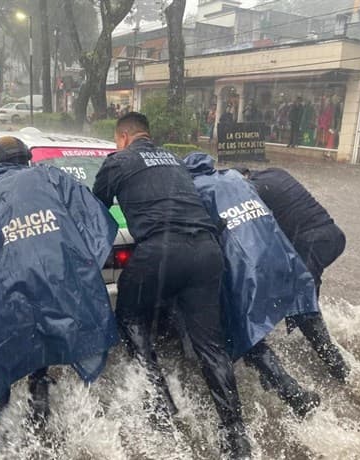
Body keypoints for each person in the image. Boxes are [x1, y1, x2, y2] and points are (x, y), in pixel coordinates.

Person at [0, 136, 120, 460]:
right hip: (57, 287)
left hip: (14, 296)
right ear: (25, 160)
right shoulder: (51, 176)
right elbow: (92, 216)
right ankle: (42, 426)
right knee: (41, 356)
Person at [92, 113, 252, 459]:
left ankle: (161, 411)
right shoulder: (175, 160)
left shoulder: (118, 161)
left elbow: (94, 211)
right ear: (148, 134)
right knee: (210, 345)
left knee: (131, 320)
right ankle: (236, 439)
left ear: (122, 137)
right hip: (208, 252)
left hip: (160, 252)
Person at [183, 152, 321, 418]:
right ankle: (334, 368)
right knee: (260, 324)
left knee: (243, 332)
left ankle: (290, 392)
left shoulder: (195, 190)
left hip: (243, 267)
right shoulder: (234, 177)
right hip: (278, 256)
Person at [238, 166, 350, 382]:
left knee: (301, 307)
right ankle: (311, 339)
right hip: (332, 237)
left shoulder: (253, 188)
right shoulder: (275, 172)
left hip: (313, 240)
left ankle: (340, 371)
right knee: (300, 293)